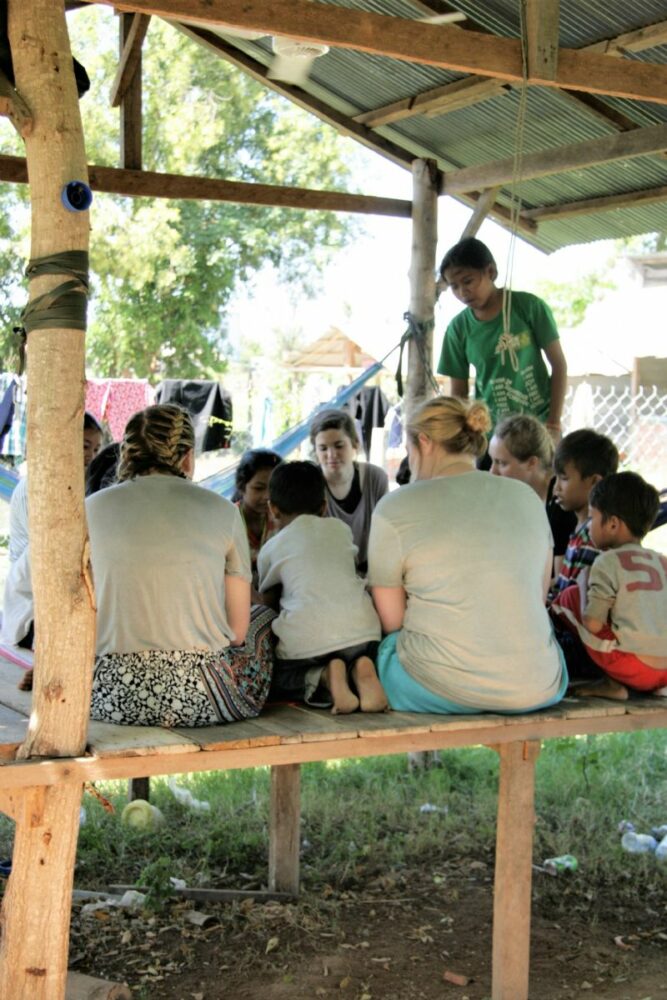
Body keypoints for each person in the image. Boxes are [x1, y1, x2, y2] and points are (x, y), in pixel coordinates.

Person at [367, 396, 566, 714]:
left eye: (409, 450)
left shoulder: (395, 508)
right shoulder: (527, 497)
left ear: (424, 442)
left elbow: (393, 621)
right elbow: (536, 596)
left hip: (439, 686)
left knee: (387, 649)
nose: (410, 459)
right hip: (537, 684)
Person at [87, 404, 275, 727]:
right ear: (187, 456)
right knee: (263, 619)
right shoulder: (224, 512)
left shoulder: (89, 509)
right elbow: (237, 632)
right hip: (201, 699)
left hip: (108, 695)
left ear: (128, 454)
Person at [257, 461, 386, 715]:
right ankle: (360, 668)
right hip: (364, 635)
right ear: (325, 505)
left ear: (272, 508)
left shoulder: (272, 547)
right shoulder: (341, 530)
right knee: (348, 649)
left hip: (307, 646)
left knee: (277, 678)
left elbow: (267, 603)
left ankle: (325, 676)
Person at [2, 412, 104, 688]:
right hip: (33, 603)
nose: (91, 455)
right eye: (84, 446)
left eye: (95, 448)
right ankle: (53, 666)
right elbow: (49, 559)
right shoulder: (36, 486)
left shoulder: (83, 484)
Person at [437, 237, 567, 445]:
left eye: (468, 281)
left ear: (491, 272)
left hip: (540, 430)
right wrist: (465, 435)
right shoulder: (457, 329)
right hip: (491, 437)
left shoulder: (529, 307)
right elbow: (459, 394)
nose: (463, 292)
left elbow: (559, 365)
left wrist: (553, 423)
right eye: (454, 286)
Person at [550, 472, 667, 700]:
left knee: (568, 599)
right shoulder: (662, 561)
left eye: (592, 518)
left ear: (613, 524)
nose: (588, 524)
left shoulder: (606, 562)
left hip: (634, 668)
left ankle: (613, 684)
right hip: (665, 672)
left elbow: (593, 624)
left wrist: (583, 585)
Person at [489, 413, 576, 579]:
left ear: (531, 463)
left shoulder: (561, 502)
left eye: (502, 463)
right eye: (492, 461)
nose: (492, 472)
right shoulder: (506, 498)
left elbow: (559, 579)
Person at [310, 408, 388, 574]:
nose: (331, 455)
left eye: (339, 446)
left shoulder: (375, 478)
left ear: (355, 444)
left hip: (373, 570)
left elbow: (386, 533)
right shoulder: (310, 483)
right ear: (315, 452)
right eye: (323, 448)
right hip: (326, 573)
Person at [550, 428, 619, 597]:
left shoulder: (593, 538)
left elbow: (573, 602)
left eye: (564, 479)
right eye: (556, 478)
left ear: (594, 482)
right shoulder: (583, 529)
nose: (556, 488)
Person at [233, 448, 283, 584]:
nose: (267, 496)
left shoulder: (281, 519)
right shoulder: (227, 521)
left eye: (273, 488)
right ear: (242, 486)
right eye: (258, 488)